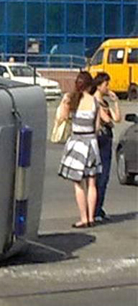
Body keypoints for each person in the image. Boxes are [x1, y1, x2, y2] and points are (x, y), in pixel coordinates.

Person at [58, 71, 102, 228]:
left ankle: (83, 218)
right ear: (90, 86)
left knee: (78, 183)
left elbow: (61, 118)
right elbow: (97, 127)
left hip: (77, 141)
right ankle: (91, 217)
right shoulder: (95, 102)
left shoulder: (72, 100)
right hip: (91, 142)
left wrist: (64, 103)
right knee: (92, 183)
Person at [92, 73, 121, 222]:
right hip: (100, 140)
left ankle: (99, 207)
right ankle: (95, 210)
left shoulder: (104, 102)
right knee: (99, 176)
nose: (108, 87)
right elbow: (108, 120)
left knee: (105, 175)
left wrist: (115, 102)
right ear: (99, 85)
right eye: (106, 84)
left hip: (107, 139)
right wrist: (109, 120)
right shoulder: (95, 101)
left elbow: (117, 119)